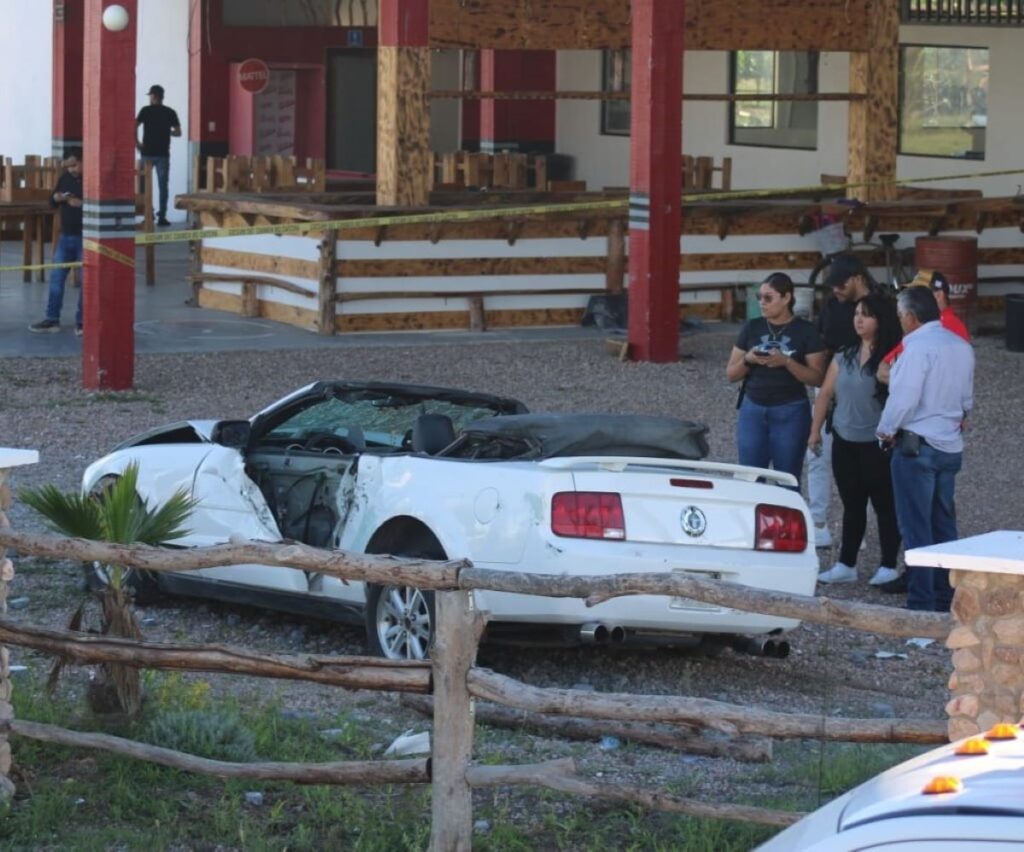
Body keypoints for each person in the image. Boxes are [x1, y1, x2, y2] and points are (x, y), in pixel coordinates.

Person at [876, 286, 974, 613]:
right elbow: (966, 403)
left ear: (910, 316)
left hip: (917, 447)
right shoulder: (961, 346)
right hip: (950, 445)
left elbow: (903, 398)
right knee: (944, 523)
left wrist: (885, 431)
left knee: (916, 527)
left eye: (901, 315)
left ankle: (920, 603)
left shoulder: (916, 347)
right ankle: (947, 598)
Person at [809, 293, 903, 586]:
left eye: (867, 314)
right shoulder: (844, 354)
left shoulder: (894, 356)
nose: (859, 319)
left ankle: (889, 564)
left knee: (884, 505)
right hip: (844, 440)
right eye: (857, 313)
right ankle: (846, 563)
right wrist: (814, 432)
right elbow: (825, 394)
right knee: (852, 504)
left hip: (878, 443)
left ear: (881, 319)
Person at [727, 272, 826, 489]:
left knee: (787, 480)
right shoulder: (751, 327)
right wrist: (749, 359)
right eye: (759, 298)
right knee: (749, 479)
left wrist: (787, 362)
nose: (762, 303)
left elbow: (817, 378)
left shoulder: (805, 331)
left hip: (790, 409)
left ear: (787, 297)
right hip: (753, 407)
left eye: (768, 298)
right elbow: (731, 374)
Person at [807, 253, 878, 548]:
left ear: (857, 279)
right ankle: (818, 523)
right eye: (832, 285)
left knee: (863, 463)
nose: (836, 290)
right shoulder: (833, 305)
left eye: (840, 284)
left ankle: (857, 528)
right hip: (827, 383)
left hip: (863, 389)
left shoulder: (880, 306)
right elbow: (821, 340)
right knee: (818, 455)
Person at [878, 269, 970, 384]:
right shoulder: (935, 324)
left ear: (939, 295)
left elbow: (884, 369)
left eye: (920, 294)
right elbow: (884, 366)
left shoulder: (941, 326)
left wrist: (900, 380)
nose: (913, 299)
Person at [28, 149, 84, 335]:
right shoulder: (65, 178)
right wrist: (57, 198)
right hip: (66, 236)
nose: (72, 170)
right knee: (56, 279)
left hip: (86, 238)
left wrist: (81, 203)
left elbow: (102, 201)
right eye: (68, 166)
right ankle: (52, 319)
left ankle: (83, 322)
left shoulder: (92, 178)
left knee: (88, 282)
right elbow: (51, 202)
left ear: (84, 161)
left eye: (75, 165)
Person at [136, 84, 181, 227]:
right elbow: (178, 132)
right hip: (163, 154)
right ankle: (162, 216)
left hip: (147, 153)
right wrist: (168, 132)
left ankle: (147, 215)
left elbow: (133, 126)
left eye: (150, 95)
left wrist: (137, 143)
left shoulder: (145, 111)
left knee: (144, 187)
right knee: (163, 186)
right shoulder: (170, 112)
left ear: (154, 96)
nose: (149, 97)